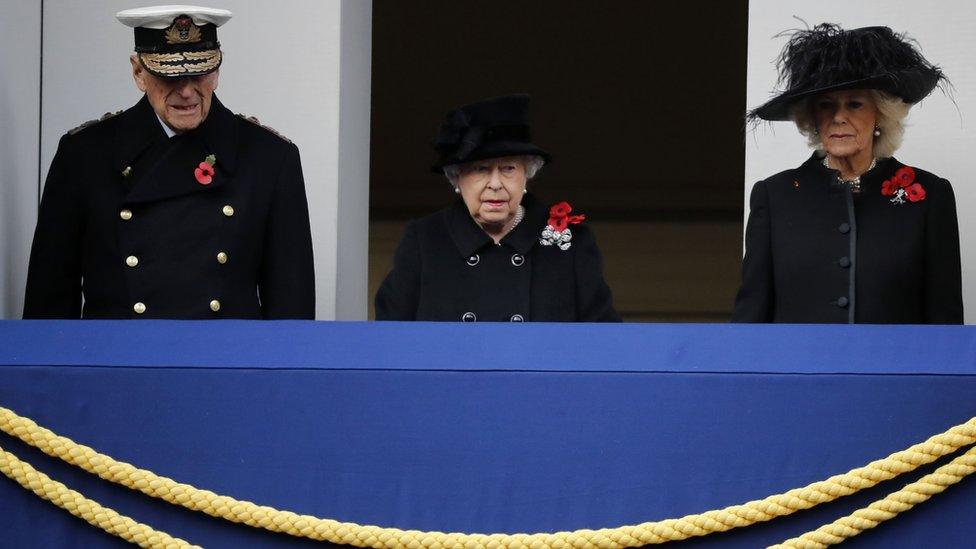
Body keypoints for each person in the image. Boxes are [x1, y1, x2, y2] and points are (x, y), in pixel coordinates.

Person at [23, 5, 315, 319]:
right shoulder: (84, 155)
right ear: (139, 72)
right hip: (118, 359)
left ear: (216, 72)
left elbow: (291, 307)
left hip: (226, 360)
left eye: (199, 73)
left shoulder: (270, 158)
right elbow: (49, 300)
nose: (187, 91)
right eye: (169, 76)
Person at [733, 24, 962, 324]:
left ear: (879, 114)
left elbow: (945, 323)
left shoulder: (929, 196)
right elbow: (750, 320)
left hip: (892, 369)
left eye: (854, 104)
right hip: (798, 370)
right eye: (826, 105)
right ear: (812, 118)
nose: (839, 117)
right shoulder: (775, 196)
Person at [375, 94, 619, 322]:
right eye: (481, 169)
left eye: (508, 168)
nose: (495, 184)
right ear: (456, 178)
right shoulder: (425, 239)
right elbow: (391, 338)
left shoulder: (570, 240)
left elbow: (602, 339)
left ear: (527, 175)